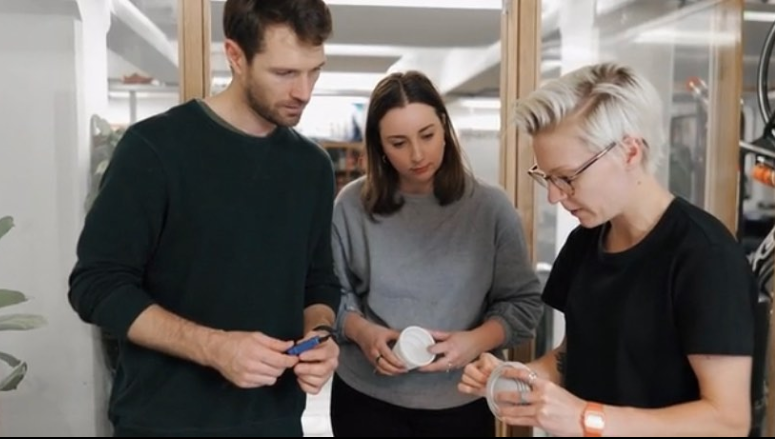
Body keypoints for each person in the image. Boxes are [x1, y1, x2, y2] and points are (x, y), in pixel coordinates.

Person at [67, 0, 341, 436]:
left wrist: (320, 335)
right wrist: (214, 347)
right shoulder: (154, 148)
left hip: (275, 421)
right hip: (163, 423)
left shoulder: (312, 168)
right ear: (235, 55)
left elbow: (319, 281)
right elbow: (96, 285)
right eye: (285, 73)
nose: (304, 92)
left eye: (315, 71)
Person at [458, 62, 756, 437]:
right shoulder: (587, 240)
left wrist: (586, 418)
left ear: (629, 151)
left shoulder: (705, 256)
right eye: (547, 178)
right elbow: (573, 355)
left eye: (567, 177)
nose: (554, 196)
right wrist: (520, 378)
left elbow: (728, 421)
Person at [329, 70, 545, 437]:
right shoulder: (351, 205)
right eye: (398, 143)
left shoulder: (491, 208)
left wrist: (475, 342)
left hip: (462, 401)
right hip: (365, 399)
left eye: (427, 135)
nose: (417, 154)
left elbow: (523, 305)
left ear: (445, 127)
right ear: (379, 146)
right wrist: (362, 332)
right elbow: (328, 295)